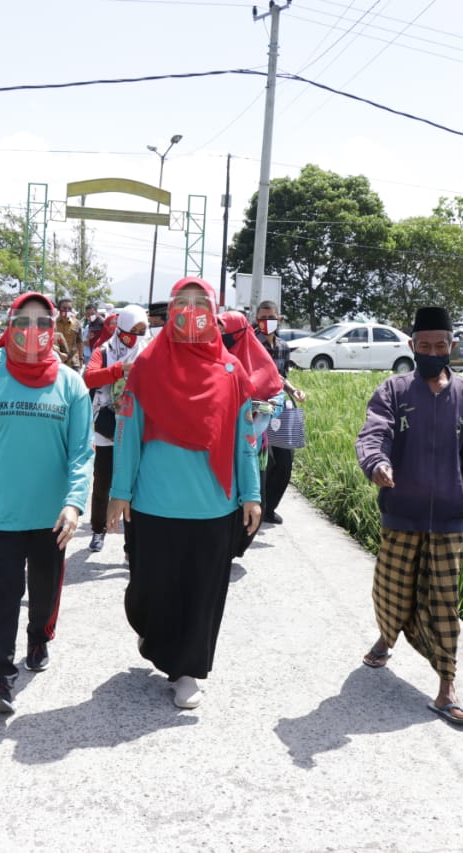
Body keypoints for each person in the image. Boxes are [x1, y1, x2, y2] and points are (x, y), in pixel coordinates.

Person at [107, 277, 262, 710]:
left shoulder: (231, 370)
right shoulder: (148, 365)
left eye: (200, 303)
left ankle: (187, 670)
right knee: (149, 590)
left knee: (200, 592)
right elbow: (127, 432)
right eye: (181, 302)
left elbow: (244, 438)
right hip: (154, 503)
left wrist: (251, 493)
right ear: (168, 311)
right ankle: (153, 630)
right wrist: (120, 491)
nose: (190, 310)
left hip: (213, 505)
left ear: (214, 313)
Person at [0, 292, 93, 715]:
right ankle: (0, 682)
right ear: (9, 328)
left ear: (54, 331)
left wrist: (74, 503)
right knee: (3, 592)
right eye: (23, 322)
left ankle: (38, 638)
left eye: (43, 323)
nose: (33, 332)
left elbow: (82, 453)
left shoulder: (71, 384)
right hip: (2, 513)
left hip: (53, 516)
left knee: (44, 590)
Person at [355, 306, 463, 727]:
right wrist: (377, 463)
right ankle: (386, 637)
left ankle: (446, 687)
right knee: (391, 591)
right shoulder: (394, 390)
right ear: (412, 346)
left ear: (451, 346)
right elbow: (375, 431)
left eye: (440, 345)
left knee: (444, 602)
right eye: (424, 345)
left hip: (448, 517)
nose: (432, 352)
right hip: (402, 512)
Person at [217, 310, 284, 555]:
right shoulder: (215, 360)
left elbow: (278, 398)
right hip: (220, 442)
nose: (222, 336)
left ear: (241, 333)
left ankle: (236, 545)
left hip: (254, 444)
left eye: (226, 332)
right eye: (219, 331)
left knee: (256, 496)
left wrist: (260, 407)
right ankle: (223, 545)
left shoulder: (262, 361)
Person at [84, 305, 150, 553]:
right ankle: (98, 530)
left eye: (142, 330)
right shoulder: (105, 351)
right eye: (133, 329)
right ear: (121, 327)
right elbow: (89, 378)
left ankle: (131, 543)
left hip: (137, 426)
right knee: (103, 482)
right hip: (107, 426)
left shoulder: (148, 351)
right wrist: (119, 370)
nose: (137, 335)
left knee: (135, 485)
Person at [254, 300, 307, 524]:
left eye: (271, 318)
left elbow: (281, 376)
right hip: (258, 409)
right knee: (266, 461)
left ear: (279, 319)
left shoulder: (284, 347)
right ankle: (257, 505)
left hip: (281, 407)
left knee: (285, 461)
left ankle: (270, 507)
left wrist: (294, 391)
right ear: (256, 320)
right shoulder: (251, 345)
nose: (267, 323)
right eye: (263, 318)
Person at [55, 297, 81, 370]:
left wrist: (81, 359)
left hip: (73, 362)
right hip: (58, 361)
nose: (67, 310)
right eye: (64, 308)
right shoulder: (53, 324)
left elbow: (79, 342)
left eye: (69, 308)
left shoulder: (76, 323)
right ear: (59, 309)